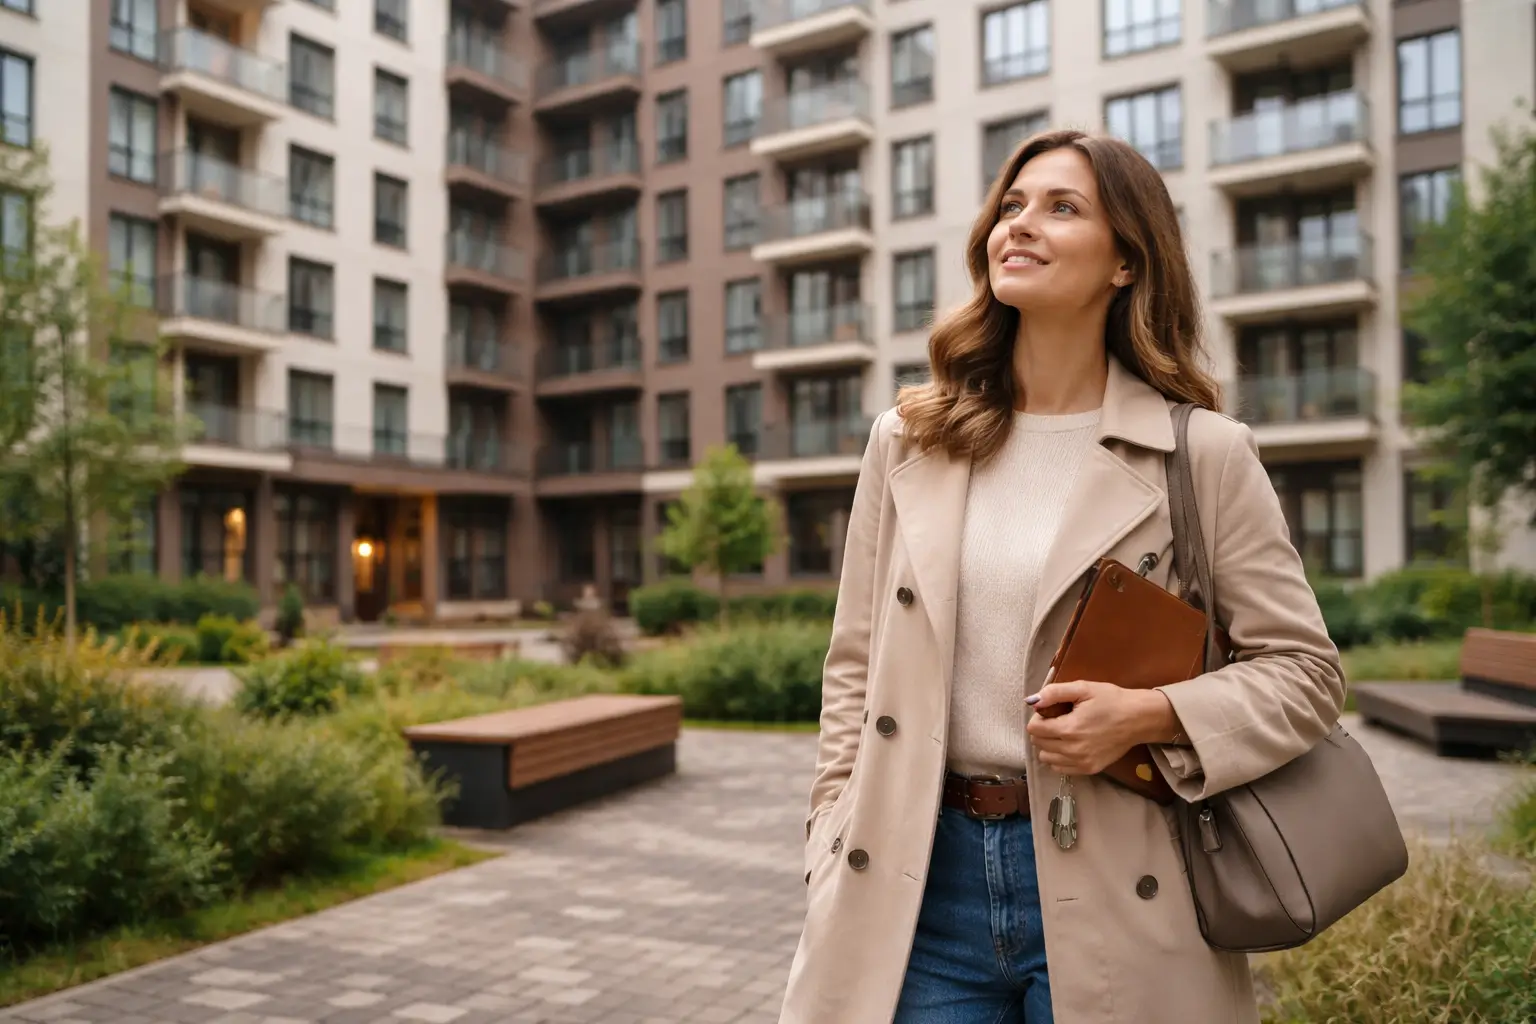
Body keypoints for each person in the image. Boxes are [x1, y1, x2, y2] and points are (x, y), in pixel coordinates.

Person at [775, 129, 1345, 1024]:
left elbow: (1308, 676)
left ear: (1127, 262)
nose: (1021, 225)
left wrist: (1152, 716)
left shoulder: (1201, 454)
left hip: (1120, 876)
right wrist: (830, 831)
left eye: (1062, 207)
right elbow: (855, 660)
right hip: (916, 877)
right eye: (1012, 206)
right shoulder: (909, 441)